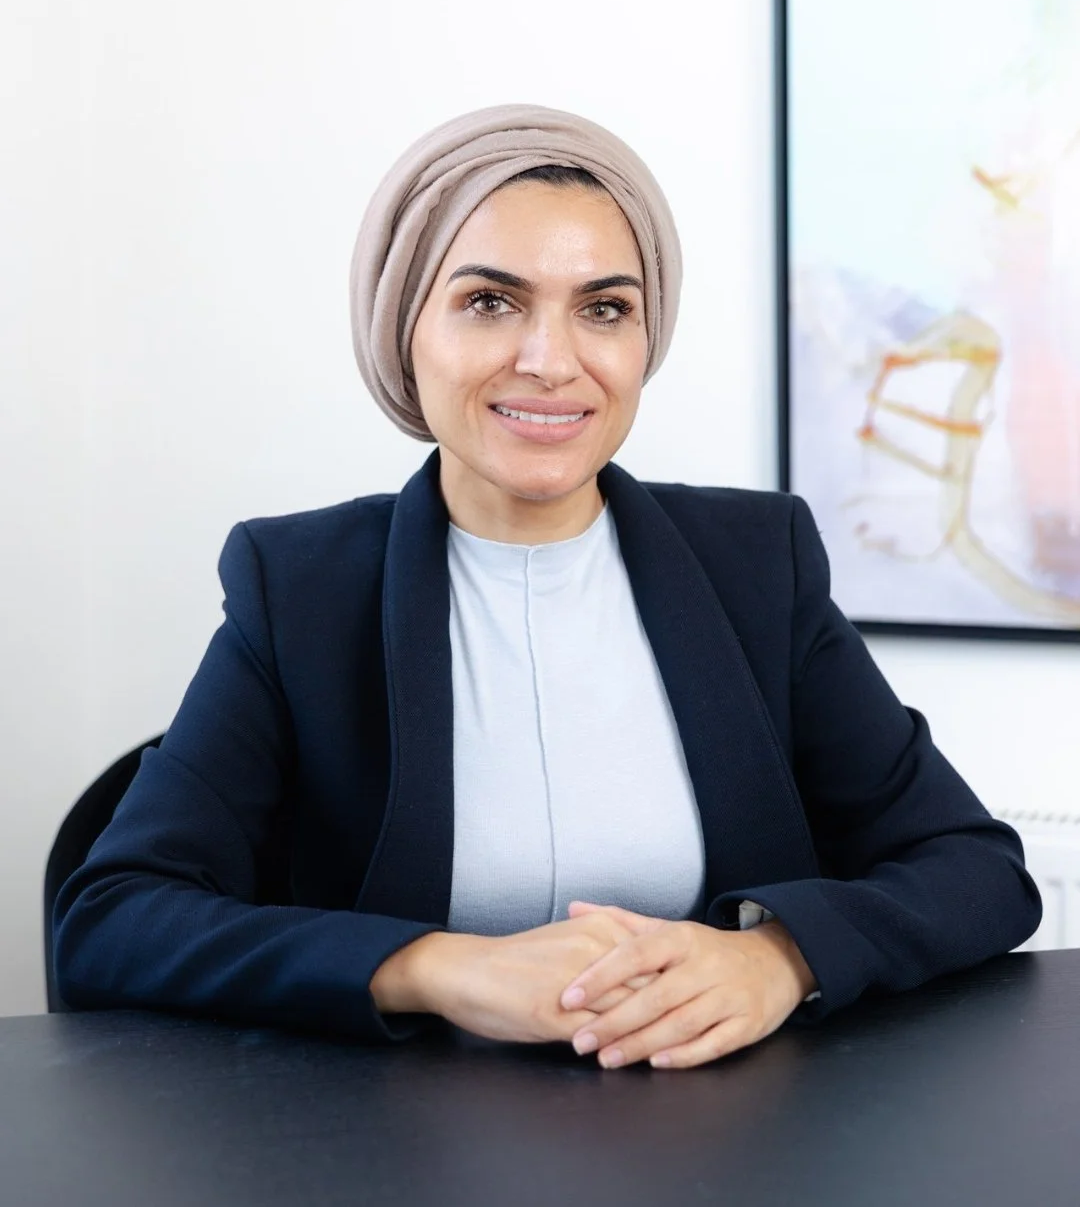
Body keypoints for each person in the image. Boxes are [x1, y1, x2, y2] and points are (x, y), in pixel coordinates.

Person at [53, 104, 1041, 1071]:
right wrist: (436, 969)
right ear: (406, 328)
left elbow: (974, 870)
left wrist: (778, 958)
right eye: (490, 302)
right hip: (387, 1155)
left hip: (726, 1144)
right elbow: (112, 919)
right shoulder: (302, 588)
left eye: (604, 309)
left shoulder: (755, 564)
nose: (551, 361)